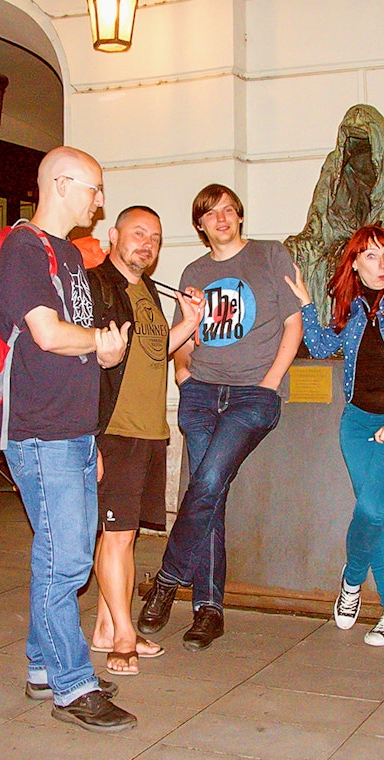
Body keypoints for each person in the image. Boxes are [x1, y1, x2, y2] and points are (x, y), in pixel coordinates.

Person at [0, 146, 136, 733]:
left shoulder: (68, 258)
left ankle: (42, 667)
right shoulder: (23, 250)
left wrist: (91, 438)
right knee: (68, 558)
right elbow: (48, 335)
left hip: (72, 432)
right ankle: (73, 686)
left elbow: (71, 350)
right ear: (63, 184)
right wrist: (102, 342)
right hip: (42, 433)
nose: (100, 201)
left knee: (57, 553)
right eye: (94, 189)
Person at [136, 184, 304, 651]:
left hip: (253, 394)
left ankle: (166, 582)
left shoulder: (272, 255)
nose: (222, 219)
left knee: (206, 482)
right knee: (211, 493)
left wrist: (270, 383)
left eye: (230, 210)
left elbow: (294, 324)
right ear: (200, 225)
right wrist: (184, 375)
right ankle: (209, 611)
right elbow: (185, 333)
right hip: (201, 391)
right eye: (212, 214)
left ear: (240, 217)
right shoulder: (195, 270)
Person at [286, 225, 384, 646]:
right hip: (356, 425)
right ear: (355, 262)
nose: (382, 264)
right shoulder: (355, 306)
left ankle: (352, 581)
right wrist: (305, 304)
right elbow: (320, 347)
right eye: (371, 256)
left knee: (372, 508)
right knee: (377, 518)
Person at [85, 206, 203, 676]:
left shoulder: (149, 291)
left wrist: (191, 321)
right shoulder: (96, 285)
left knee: (123, 536)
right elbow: (78, 360)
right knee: (116, 536)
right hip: (115, 429)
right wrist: (87, 437)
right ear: (113, 236)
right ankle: (124, 637)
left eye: (154, 236)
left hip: (149, 430)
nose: (146, 243)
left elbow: (155, 351)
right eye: (137, 233)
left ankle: (104, 628)